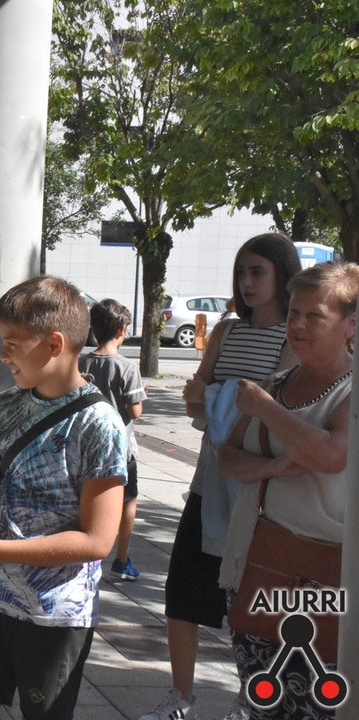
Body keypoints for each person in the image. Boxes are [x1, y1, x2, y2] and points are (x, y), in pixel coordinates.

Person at [0, 275, 127, 720]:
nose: (3, 355)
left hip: (52, 616)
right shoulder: (4, 405)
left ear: (54, 344)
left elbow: (97, 541)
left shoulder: (99, 425)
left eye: (12, 344)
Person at [141, 233, 302, 720]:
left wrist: (218, 397)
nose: (246, 282)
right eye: (241, 272)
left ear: (283, 275)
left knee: (253, 603)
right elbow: (195, 399)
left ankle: (247, 701)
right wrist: (226, 399)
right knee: (183, 592)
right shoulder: (228, 330)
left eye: (257, 272)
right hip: (208, 479)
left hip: (260, 489)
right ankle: (181, 698)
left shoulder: (291, 338)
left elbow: (265, 408)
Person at [217, 261, 356, 720]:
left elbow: (331, 455)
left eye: (315, 316)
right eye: (294, 313)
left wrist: (266, 409)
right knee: (264, 701)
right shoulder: (276, 384)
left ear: (351, 325)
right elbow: (227, 458)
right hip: (260, 565)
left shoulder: (349, 393)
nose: (298, 325)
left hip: (326, 579)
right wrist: (274, 466)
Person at [79, 299, 147, 580]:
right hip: (121, 450)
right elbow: (135, 411)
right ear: (122, 331)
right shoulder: (127, 367)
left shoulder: (81, 361)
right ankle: (121, 558)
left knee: (86, 499)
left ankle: (85, 553)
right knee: (127, 500)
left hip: (85, 445)